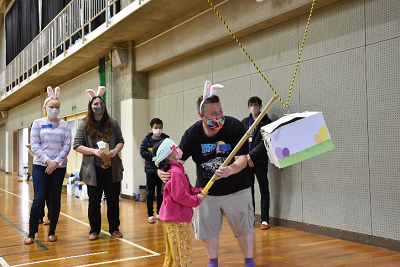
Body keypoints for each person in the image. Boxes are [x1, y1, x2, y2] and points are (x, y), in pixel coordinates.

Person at [158, 81, 256, 267]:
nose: (219, 116)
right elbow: (176, 160)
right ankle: (213, 262)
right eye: (213, 114)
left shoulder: (234, 126)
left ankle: (249, 261)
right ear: (202, 116)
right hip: (206, 191)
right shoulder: (192, 134)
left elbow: (243, 159)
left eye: (220, 112)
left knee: (245, 227)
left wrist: (230, 170)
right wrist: (162, 170)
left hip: (237, 188)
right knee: (207, 229)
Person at [73, 86, 125, 241]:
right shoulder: (84, 124)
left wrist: (115, 150)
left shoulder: (113, 122)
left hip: (112, 169)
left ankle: (114, 228)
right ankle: (94, 230)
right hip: (93, 170)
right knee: (94, 202)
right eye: (95, 104)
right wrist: (94, 151)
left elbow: (121, 141)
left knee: (113, 201)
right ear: (91, 107)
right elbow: (76, 145)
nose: (98, 106)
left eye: (101, 103)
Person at [25, 86, 71, 244]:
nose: (54, 110)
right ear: (45, 108)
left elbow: (67, 145)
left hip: (59, 167)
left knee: (55, 199)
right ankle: (31, 233)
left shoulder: (65, 125)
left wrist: (56, 162)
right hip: (40, 165)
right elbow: (35, 145)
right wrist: (48, 161)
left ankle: (52, 231)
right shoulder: (38, 123)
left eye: (57, 107)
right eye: (51, 107)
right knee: (39, 198)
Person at [153, 138, 207, 267]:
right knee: (182, 253)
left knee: (173, 252)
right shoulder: (175, 172)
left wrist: (197, 191)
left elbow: (186, 188)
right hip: (177, 218)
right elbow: (179, 196)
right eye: (173, 148)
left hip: (174, 217)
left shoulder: (176, 169)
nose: (177, 149)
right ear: (168, 154)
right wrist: (196, 200)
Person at [241, 96, 272, 230]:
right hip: (246, 162)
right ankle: (250, 218)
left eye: (256, 105)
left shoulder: (266, 122)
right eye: (251, 105)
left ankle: (264, 219)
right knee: (248, 191)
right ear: (248, 107)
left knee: (264, 189)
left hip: (260, 161)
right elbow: (240, 141)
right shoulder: (244, 122)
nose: (253, 107)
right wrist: (246, 158)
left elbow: (263, 143)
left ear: (260, 106)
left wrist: (250, 155)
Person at [140, 118, 169, 224]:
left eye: (160, 128)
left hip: (162, 170)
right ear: (151, 129)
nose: (158, 130)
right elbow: (142, 152)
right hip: (151, 171)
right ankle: (150, 214)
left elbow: (171, 151)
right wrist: (155, 155)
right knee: (150, 193)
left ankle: (159, 212)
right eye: (156, 128)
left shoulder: (166, 139)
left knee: (161, 193)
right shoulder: (146, 140)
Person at [27, 142, 51, 225]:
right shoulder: (36, 139)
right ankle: (40, 216)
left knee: (49, 194)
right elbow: (35, 155)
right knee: (39, 195)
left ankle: (50, 217)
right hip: (39, 166)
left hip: (51, 165)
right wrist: (30, 150)